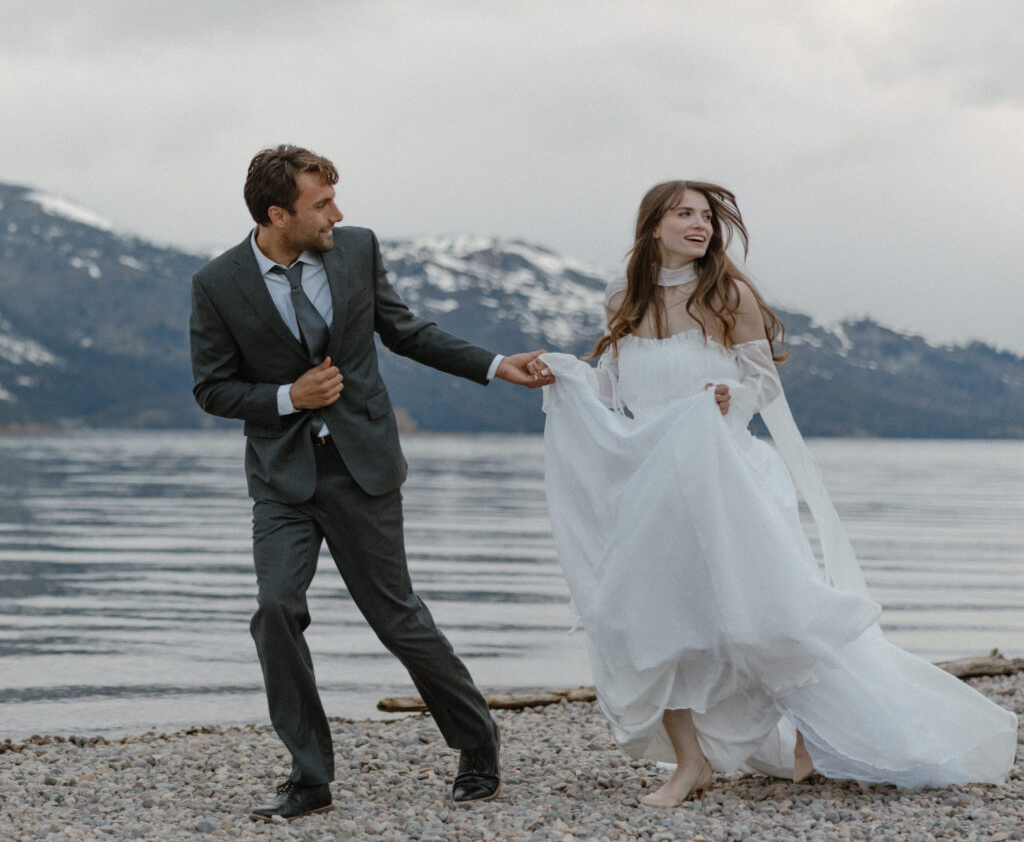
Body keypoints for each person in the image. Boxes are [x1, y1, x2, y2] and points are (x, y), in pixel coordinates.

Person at [539, 180, 1017, 807]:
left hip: (731, 477)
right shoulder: (622, 299)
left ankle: (809, 737)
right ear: (653, 225)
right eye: (684, 214)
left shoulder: (727, 294)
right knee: (656, 621)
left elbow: (762, 383)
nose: (700, 225)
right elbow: (615, 390)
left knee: (770, 615)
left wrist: (727, 397)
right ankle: (691, 764)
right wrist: (568, 378)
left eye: (707, 216)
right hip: (654, 485)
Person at [189, 144, 553, 821]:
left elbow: (407, 332)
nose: (338, 213)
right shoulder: (217, 284)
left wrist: (498, 364)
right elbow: (212, 388)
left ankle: (477, 742)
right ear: (277, 213)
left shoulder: (356, 249)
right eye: (321, 203)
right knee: (275, 610)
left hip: (364, 467)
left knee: (396, 618)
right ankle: (308, 776)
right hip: (282, 477)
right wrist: (287, 397)